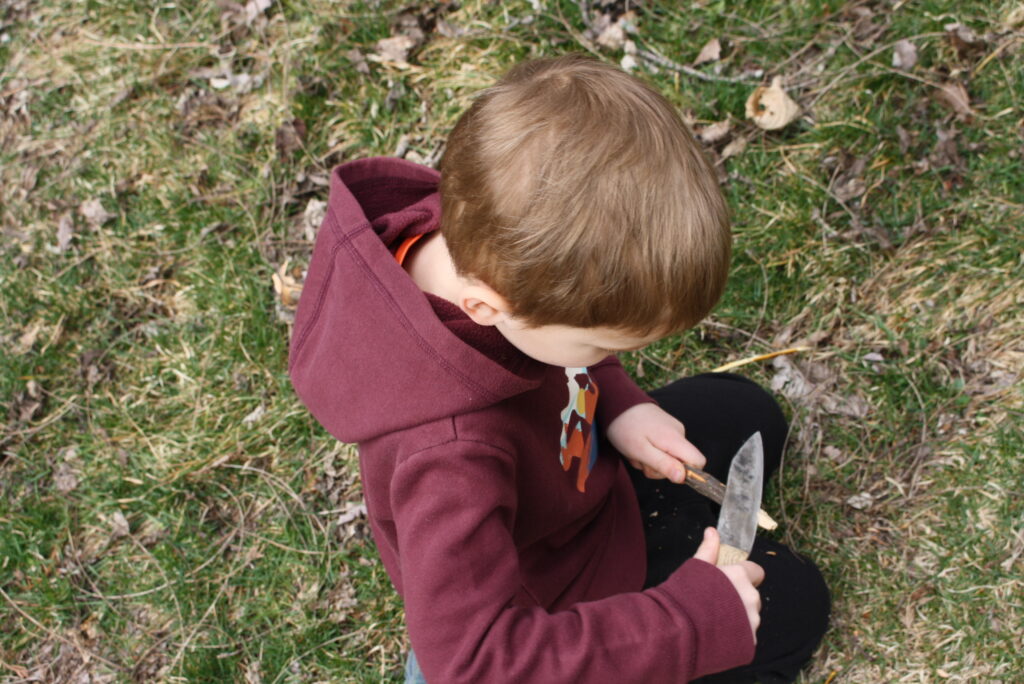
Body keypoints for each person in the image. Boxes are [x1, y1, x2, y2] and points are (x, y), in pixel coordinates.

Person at [289, 55, 829, 683]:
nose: (607, 359)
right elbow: (473, 662)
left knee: (746, 412)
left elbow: (561, 358)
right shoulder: (447, 457)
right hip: (554, 595)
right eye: (597, 346)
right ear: (487, 308)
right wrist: (689, 622)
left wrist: (621, 404)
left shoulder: (483, 234)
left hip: (573, 489)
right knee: (791, 604)